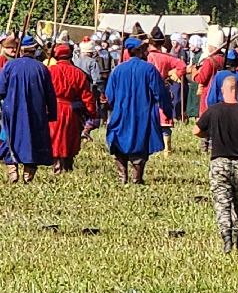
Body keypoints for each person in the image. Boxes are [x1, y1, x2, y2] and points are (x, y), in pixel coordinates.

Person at [194, 75, 238, 252]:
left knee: (222, 202)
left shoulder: (213, 110)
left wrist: (210, 137)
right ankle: (237, 239)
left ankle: (226, 239)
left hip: (219, 163)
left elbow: (196, 130)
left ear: (223, 90)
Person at [105, 36, 171, 185]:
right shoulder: (149, 69)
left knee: (119, 142)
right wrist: (166, 109)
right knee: (140, 143)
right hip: (143, 113)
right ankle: (136, 178)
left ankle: (123, 177)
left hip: (121, 113)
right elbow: (160, 93)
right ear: (139, 51)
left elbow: (109, 96)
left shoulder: (117, 70)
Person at [0, 36, 57, 182]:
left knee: (11, 138)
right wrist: (52, 113)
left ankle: (13, 170)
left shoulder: (10, 66)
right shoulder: (42, 68)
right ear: (34, 50)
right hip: (36, 112)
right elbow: (50, 94)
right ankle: (28, 174)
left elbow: (1, 90)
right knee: (33, 140)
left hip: (12, 110)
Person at [47, 43, 97, 173]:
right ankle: (66, 165)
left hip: (53, 110)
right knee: (69, 138)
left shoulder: (50, 71)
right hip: (71, 111)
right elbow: (87, 96)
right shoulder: (78, 73)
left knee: (55, 138)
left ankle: (57, 165)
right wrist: (92, 113)